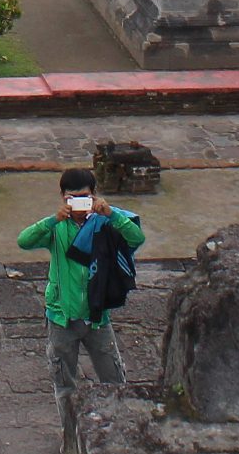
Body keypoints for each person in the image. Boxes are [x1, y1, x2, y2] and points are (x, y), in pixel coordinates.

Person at [17, 167, 145, 421]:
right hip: (62, 316)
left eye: (83, 198)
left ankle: (121, 426)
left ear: (94, 196)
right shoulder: (57, 227)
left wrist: (113, 214)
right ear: (63, 198)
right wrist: (53, 219)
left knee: (114, 379)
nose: (77, 205)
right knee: (65, 384)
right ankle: (70, 436)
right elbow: (24, 240)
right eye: (70, 199)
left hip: (97, 315)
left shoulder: (105, 222)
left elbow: (136, 238)